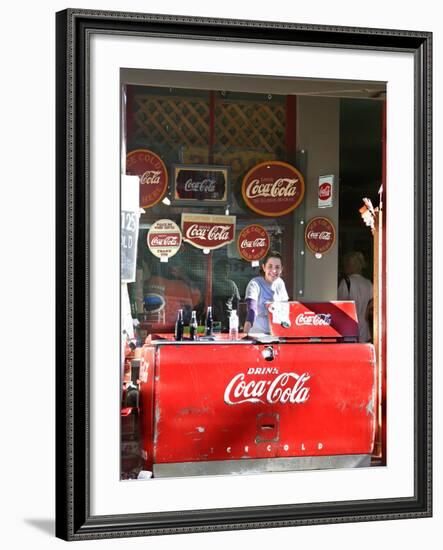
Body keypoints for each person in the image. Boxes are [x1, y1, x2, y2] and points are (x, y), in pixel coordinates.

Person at [244, 251, 289, 335]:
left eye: (277, 267)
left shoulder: (280, 283)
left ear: (281, 269)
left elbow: (285, 311)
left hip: (276, 335)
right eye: (270, 266)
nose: (274, 270)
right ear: (264, 267)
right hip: (257, 336)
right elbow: (252, 310)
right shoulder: (255, 284)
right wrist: (245, 336)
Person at [337, 251, 373, 343]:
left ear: (349, 265)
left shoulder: (346, 282)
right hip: (365, 331)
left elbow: (340, 307)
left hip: (349, 330)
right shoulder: (369, 283)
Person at [212, 259, 241, 331]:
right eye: (223, 269)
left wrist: (237, 321)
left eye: (227, 269)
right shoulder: (211, 285)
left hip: (229, 320)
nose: (226, 272)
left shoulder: (231, 284)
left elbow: (237, 304)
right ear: (216, 271)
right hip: (214, 318)